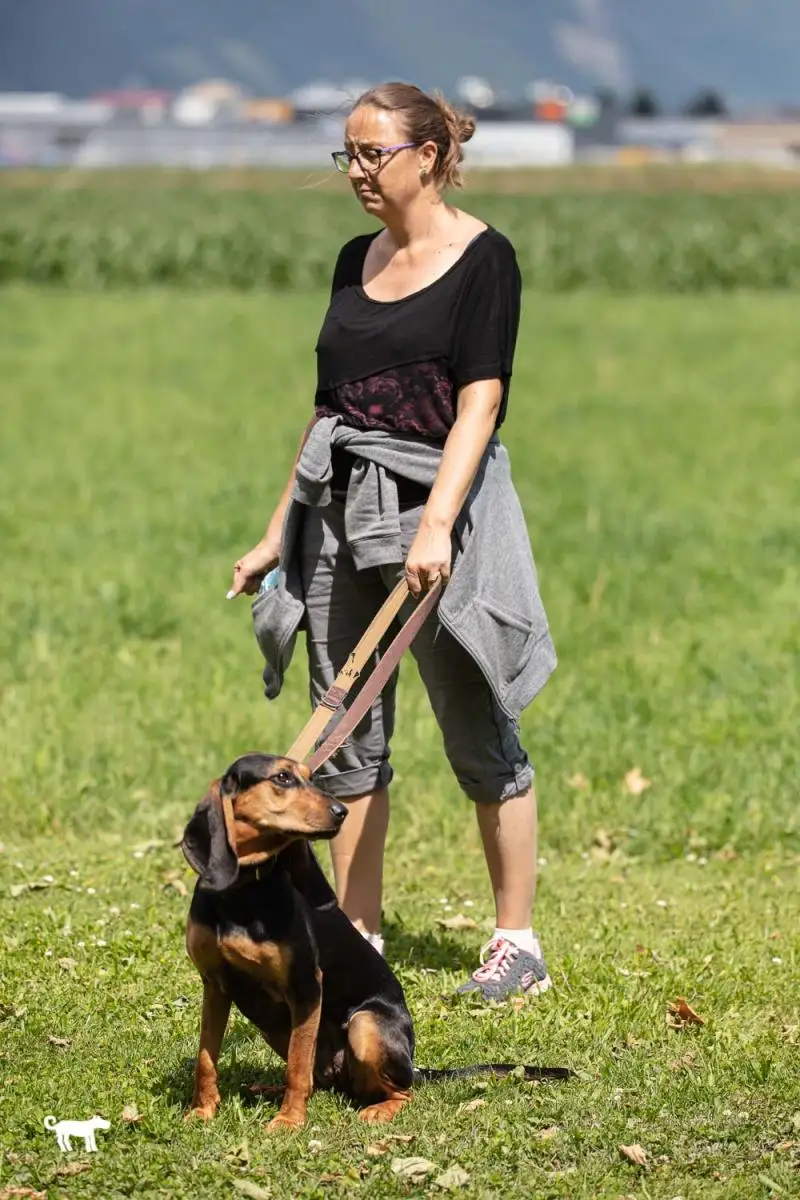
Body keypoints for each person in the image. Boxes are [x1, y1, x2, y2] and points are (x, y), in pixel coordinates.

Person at [228, 82, 557, 1001]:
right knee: (345, 736)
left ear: (429, 155)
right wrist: (277, 532)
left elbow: (480, 403)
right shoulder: (353, 259)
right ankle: (358, 933)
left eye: (373, 153)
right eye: (349, 154)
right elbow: (327, 410)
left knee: (478, 730)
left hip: (432, 514)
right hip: (338, 514)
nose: (357, 171)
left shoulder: (484, 259)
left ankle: (517, 943)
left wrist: (439, 526)